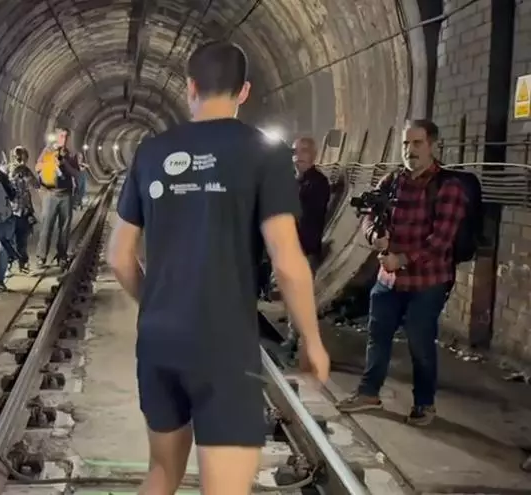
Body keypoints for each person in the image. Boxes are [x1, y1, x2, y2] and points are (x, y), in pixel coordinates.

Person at [106, 40, 330, 495]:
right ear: (244, 91)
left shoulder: (151, 152)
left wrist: (156, 305)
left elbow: (119, 257)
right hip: (224, 344)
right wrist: (310, 338)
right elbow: (287, 259)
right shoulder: (264, 154)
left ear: (190, 87)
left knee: (161, 474)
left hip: (159, 341)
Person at [335, 119, 469, 426]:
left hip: (427, 281)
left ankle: (424, 404)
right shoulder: (392, 180)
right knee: (377, 336)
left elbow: (440, 242)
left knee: (420, 344)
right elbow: (369, 216)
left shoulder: (448, 188)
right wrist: (373, 237)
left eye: (417, 143)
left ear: (433, 145)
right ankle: (369, 394)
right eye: (406, 144)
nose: (410, 150)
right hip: (388, 280)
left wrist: (403, 259)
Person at [281, 136, 331, 359]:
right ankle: (294, 339)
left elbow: (305, 214)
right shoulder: (295, 181)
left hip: (305, 249)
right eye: (295, 151)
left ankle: (304, 344)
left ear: (313, 155)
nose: (297, 156)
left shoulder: (317, 182)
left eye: (303, 151)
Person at [35, 127, 80, 270]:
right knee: (47, 225)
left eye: (66, 136)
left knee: (64, 228)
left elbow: (76, 174)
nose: (64, 139)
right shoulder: (48, 151)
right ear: (56, 137)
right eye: (61, 136)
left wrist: (65, 163)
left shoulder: (71, 155)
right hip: (50, 194)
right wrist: (51, 163)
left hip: (66, 194)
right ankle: (41, 257)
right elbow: (37, 167)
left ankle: (62, 256)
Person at [9, 146, 37, 273]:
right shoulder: (7, 170)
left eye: (23, 158)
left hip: (24, 211)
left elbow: (36, 185)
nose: (21, 161)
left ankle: (23, 264)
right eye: (18, 158)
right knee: (8, 240)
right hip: (10, 211)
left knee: (22, 240)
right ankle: (8, 265)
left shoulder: (26, 171)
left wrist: (27, 173)